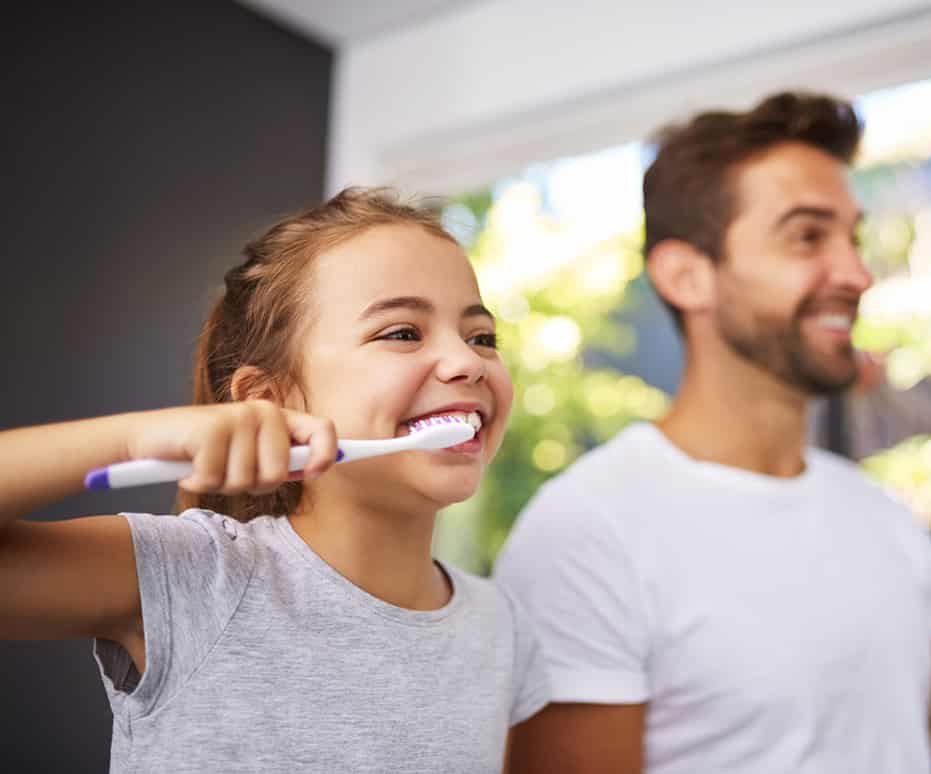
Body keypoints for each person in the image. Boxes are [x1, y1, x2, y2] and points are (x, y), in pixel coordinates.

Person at [495, 92, 931, 773]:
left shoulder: (875, 515)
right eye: (808, 236)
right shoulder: (586, 535)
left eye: (854, 238)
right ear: (687, 276)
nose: (857, 274)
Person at [0, 187, 548, 773]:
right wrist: (131, 438)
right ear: (269, 399)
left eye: (482, 337)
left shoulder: (502, 628)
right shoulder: (193, 575)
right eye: (402, 333)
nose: (467, 362)